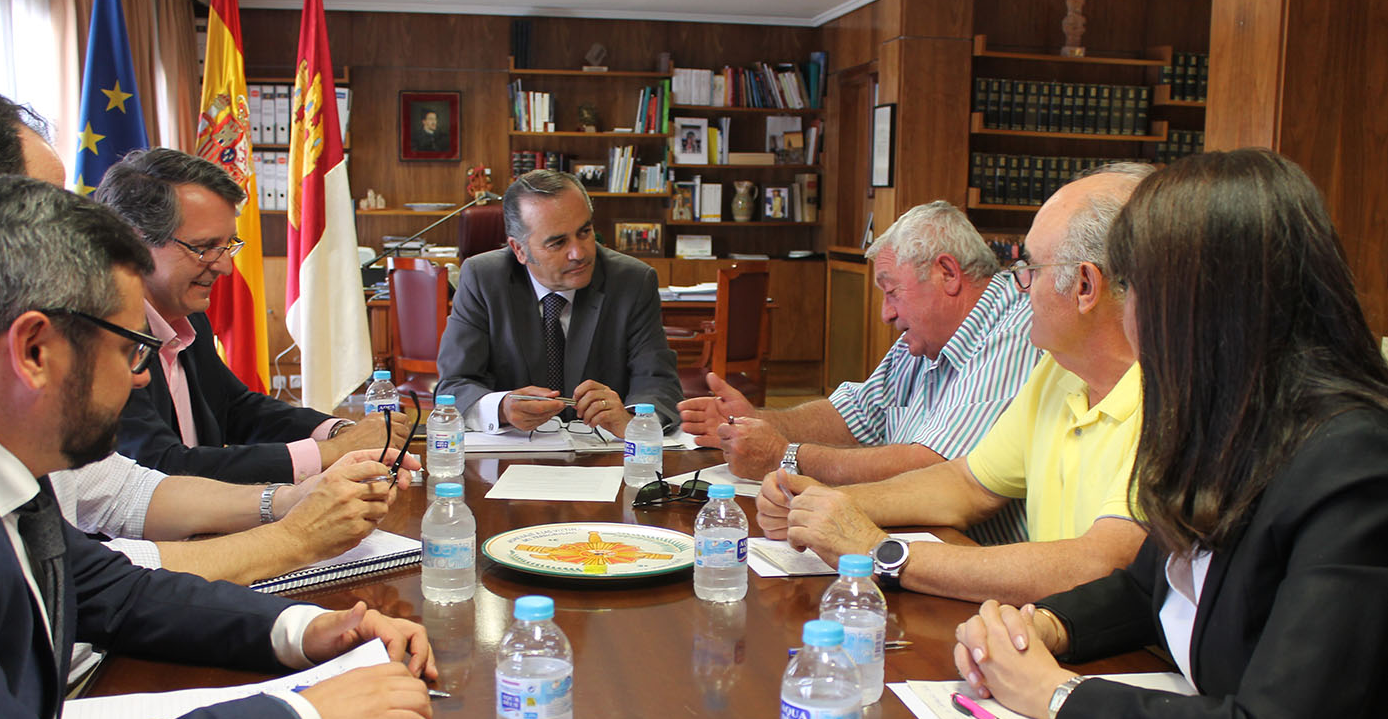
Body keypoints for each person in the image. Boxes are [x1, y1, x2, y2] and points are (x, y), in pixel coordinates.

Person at [0, 174, 436, 719]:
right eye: (129, 348)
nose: (140, 380)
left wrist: (310, 629)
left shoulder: (13, 473)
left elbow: (122, 594)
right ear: (35, 350)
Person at [952, 148, 1388, 719]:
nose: (1126, 315)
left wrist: (1053, 694)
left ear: (1202, 305)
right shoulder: (1229, 418)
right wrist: (1040, 628)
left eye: (1133, 289)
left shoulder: (1351, 461)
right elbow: (1144, 587)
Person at [0, 83, 417, 586]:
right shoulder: (85, 335)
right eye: (48, 209)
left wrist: (293, 497)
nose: (225, 266)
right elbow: (95, 573)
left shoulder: (184, 318)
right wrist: (295, 530)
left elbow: (120, 491)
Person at [757, 165, 1151, 604]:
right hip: (1045, 630)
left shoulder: (1171, 400)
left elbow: (1098, 564)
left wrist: (877, 551)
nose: (1019, 287)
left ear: (1084, 286)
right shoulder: (1059, 372)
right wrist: (828, 503)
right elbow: (967, 484)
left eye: (1030, 270)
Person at [679, 201, 1039, 545]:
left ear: (947, 273)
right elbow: (855, 412)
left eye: (892, 292)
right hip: (914, 535)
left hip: (980, 560)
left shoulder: (1013, 332)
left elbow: (932, 469)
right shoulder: (926, 336)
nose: (886, 313)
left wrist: (783, 455)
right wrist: (757, 421)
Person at [96, 147, 410, 483]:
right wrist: (331, 453)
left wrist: (339, 432)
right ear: (133, 243)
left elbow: (235, 407)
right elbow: (160, 466)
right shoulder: (101, 339)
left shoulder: (187, 314)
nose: (226, 267)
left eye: (229, 245)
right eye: (204, 248)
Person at [435, 169, 683, 435]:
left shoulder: (632, 281)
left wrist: (633, 422)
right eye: (558, 243)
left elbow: (659, 383)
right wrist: (502, 408)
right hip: (511, 457)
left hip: (603, 456)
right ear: (519, 249)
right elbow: (454, 385)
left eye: (585, 232)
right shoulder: (483, 279)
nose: (579, 253)